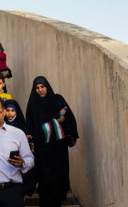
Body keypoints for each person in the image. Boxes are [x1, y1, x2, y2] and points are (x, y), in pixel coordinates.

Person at [26, 76, 79, 207]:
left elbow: (69, 118)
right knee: (45, 186)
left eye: (42, 87)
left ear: (47, 87)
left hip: (58, 150)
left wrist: (68, 131)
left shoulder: (58, 100)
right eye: (37, 88)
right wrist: (55, 122)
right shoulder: (33, 105)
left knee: (58, 182)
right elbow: (32, 129)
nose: (40, 90)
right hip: (42, 152)